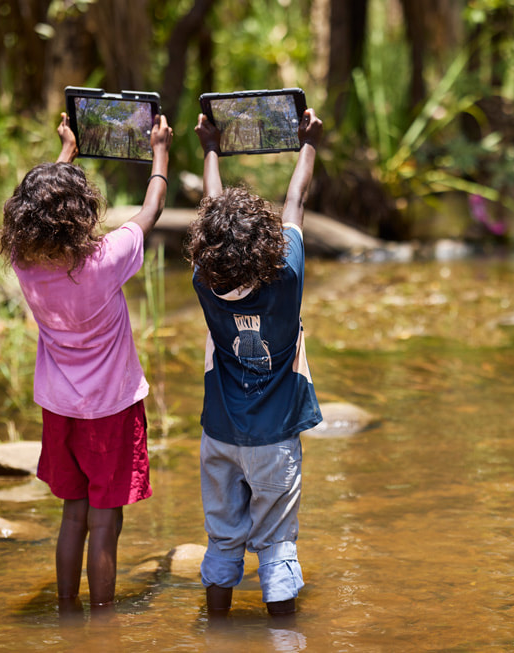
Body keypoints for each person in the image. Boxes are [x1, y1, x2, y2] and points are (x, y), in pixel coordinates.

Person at [0, 111, 173, 614]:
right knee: (104, 521)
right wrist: (159, 150)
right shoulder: (105, 259)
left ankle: (68, 611)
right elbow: (151, 209)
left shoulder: (24, 262)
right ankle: (102, 625)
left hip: (59, 409)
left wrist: (66, 152)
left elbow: (41, 217)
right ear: (82, 213)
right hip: (112, 410)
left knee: (73, 515)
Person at [186, 108, 324, 617]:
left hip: (219, 433)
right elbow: (296, 200)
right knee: (276, 543)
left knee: (223, 538)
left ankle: (216, 631)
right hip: (275, 438)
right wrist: (308, 143)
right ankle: (284, 637)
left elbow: (210, 206)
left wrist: (210, 149)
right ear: (266, 242)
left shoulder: (203, 278)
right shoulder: (285, 275)